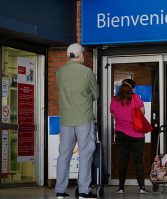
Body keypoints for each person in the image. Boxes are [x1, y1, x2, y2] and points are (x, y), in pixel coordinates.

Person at [55, 43, 99, 199]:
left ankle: (60, 191)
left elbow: (62, 90)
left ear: (68, 55)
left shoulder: (59, 72)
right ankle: (83, 191)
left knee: (64, 155)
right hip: (83, 118)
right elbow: (96, 94)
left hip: (66, 119)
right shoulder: (87, 72)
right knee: (85, 154)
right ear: (81, 56)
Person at [110, 79, 148, 194]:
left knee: (122, 162)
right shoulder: (135, 97)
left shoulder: (114, 100)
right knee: (138, 162)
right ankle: (142, 188)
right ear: (131, 89)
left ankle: (121, 188)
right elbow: (142, 112)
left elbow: (113, 115)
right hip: (137, 134)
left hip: (121, 134)